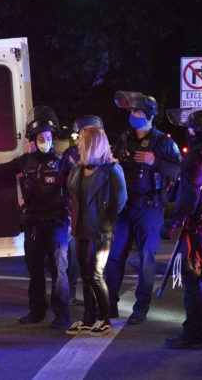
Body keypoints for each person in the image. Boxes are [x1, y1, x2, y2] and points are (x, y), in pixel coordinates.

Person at [104, 91, 182, 324]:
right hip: (124, 206)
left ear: (148, 114)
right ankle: (110, 304)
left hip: (149, 206)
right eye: (131, 111)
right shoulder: (124, 138)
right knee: (115, 256)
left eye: (136, 111)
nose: (132, 115)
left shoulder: (164, 142)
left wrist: (154, 161)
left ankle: (141, 306)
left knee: (146, 257)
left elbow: (180, 171)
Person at [0, 105, 73, 330]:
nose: (44, 140)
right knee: (35, 269)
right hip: (33, 224)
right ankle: (37, 311)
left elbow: (78, 188)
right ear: (33, 138)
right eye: (40, 137)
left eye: (47, 137)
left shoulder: (64, 161)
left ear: (53, 137)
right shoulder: (25, 161)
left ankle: (62, 315)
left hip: (57, 222)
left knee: (59, 270)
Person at [160, 109, 202, 349]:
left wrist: (171, 224)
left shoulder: (197, 156)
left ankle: (193, 333)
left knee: (195, 278)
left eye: (190, 128)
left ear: (198, 130)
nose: (187, 133)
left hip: (199, 226)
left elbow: (189, 197)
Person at [65, 126, 127, 336]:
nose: (77, 144)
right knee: (85, 275)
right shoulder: (77, 168)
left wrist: (106, 219)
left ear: (92, 143)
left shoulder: (111, 169)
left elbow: (120, 199)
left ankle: (105, 319)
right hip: (80, 228)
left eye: (81, 140)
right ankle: (88, 318)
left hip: (101, 231)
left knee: (96, 275)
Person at [63, 115, 105, 304]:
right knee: (74, 259)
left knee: (97, 267)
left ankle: (101, 304)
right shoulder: (71, 154)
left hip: (98, 222)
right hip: (76, 216)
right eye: (80, 132)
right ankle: (73, 295)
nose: (81, 136)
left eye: (85, 131)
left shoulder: (106, 159)